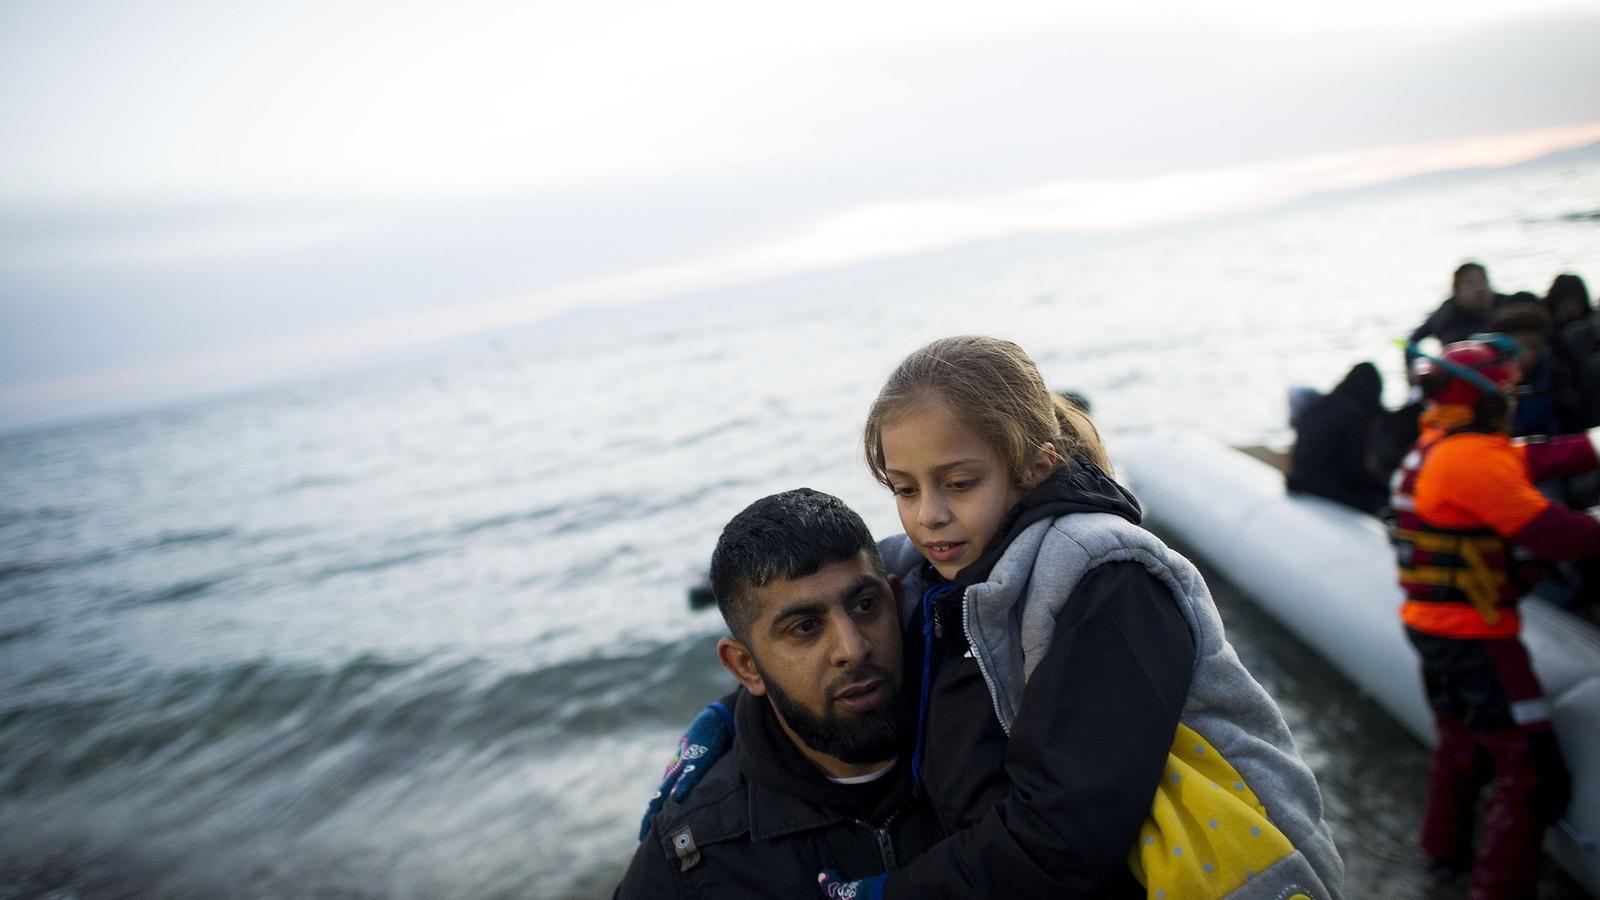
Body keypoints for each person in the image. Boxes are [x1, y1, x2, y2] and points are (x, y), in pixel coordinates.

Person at [643, 337, 1344, 899]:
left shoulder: (1105, 579)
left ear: (1034, 466)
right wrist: (728, 723)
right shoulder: (941, 561)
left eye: (959, 483)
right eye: (904, 489)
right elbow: (812, 611)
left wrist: (890, 891)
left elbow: (1066, 833)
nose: (930, 515)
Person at [616, 488, 943, 899]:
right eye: (805, 627)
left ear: (895, 601)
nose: (853, 648)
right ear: (745, 666)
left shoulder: (991, 726)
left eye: (864, 605)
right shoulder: (696, 852)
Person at [1390, 335, 1600, 898]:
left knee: (1460, 743)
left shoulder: (1439, 441)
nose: (1513, 400)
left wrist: (1593, 445)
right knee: (1531, 772)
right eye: (1507, 390)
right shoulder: (1469, 460)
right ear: (1485, 398)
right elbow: (1555, 535)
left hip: (1433, 628)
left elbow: (1530, 457)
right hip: (1478, 640)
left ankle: (1442, 856)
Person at [1286, 362, 1390, 515]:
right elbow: (1354, 468)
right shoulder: (1353, 414)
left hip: (1300, 481)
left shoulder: (1320, 404)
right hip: (1324, 489)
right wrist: (1385, 488)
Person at [1490, 301, 1584, 437]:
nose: (1527, 356)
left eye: (1534, 347)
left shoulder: (1556, 373)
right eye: (1519, 348)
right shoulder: (1491, 379)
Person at [1409, 262, 1505, 349]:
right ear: (1457, 291)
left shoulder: (1502, 302)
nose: (1480, 289)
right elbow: (1413, 340)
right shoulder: (1444, 316)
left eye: (1483, 282)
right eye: (1471, 284)